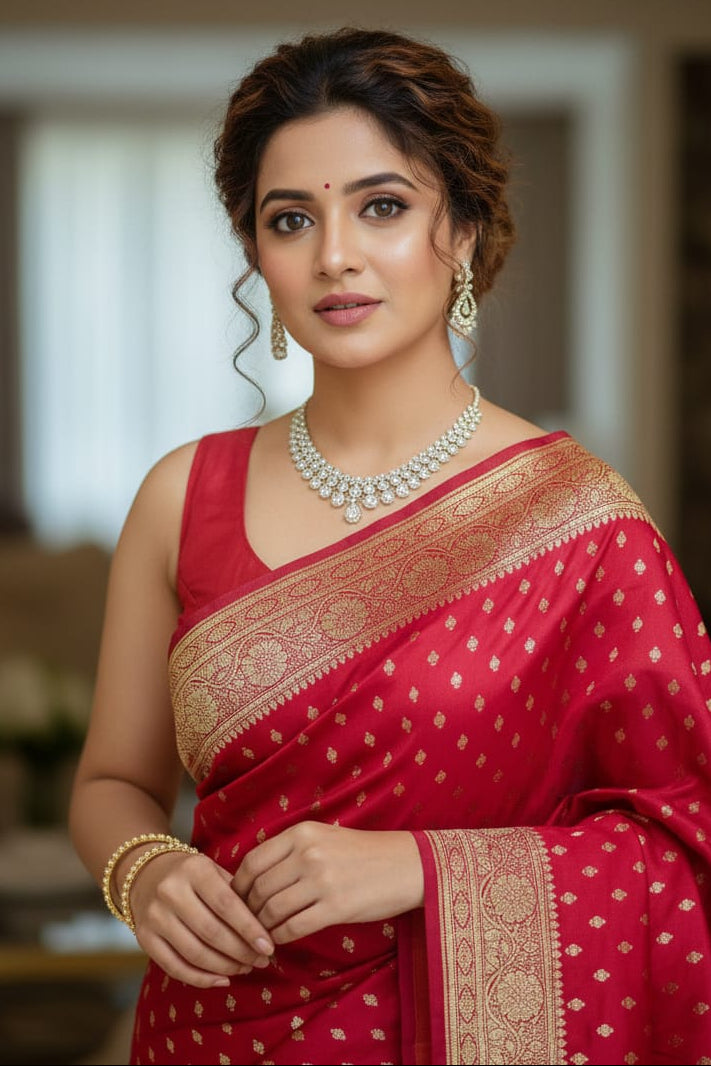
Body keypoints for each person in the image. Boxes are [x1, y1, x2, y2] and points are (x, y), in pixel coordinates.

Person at [69, 25, 711, 1066]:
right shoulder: (182, 495)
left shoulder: (582, 525)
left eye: (382, 205)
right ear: (255, 255)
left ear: (459, 229)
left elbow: (685, 840)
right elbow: (112, 783)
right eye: (291, 219)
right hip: (210, 1030)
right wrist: (140, 869)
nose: (335, 254)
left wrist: (423, 867)